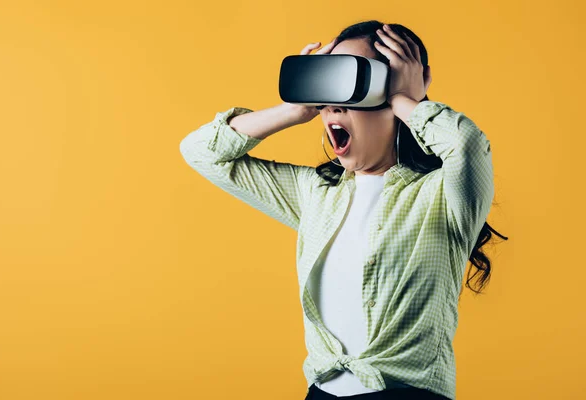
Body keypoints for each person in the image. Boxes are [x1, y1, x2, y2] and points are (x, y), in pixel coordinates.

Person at [180, 20, 507, 400]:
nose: (335, 103)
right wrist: (294, 109)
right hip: (321, 393)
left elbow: (467, 145)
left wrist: (408, 100)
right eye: (328, 84)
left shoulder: (443, 197)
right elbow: (202, 152)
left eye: (357, 85)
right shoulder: (316, 194)